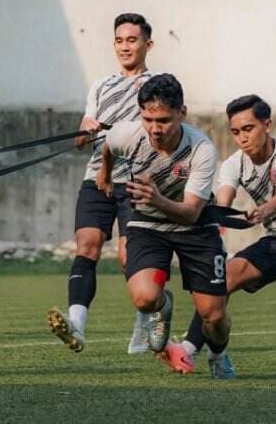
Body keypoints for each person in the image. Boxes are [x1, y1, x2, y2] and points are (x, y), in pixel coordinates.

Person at [159, 94, 276, 376]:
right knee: (222, 281)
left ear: (267, 125)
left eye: (248, 129)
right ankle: (189, 350)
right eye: (235, 132)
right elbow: (223, 204)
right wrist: (203, 213)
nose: (242, 138)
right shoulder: (233, 164)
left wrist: (263, 211)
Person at [99, 73, 233, 378]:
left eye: (163, 120)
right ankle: (163, 305)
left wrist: (156, 198)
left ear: (181, 114)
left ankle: (219, 353)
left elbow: (189, 213)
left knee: (213, 316)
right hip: (148, 225)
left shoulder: (201, 149)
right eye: (148, 119)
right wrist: (104, 175)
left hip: (196, 229)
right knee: (145, 298)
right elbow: (108, 145)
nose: (154, 129)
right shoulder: (129, 135)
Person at [47, 13, 158, 354]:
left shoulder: (158, 84)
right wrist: (87, 130)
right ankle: (77, 325)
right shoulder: (101, 85)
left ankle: (146, 318)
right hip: (96, 177)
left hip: (136, 180)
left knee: (129, 257)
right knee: (87, 246)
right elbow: (81, 141)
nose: (125, 47)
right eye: (119, 40)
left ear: (147, 45)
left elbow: (163, 132)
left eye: (132, 40)